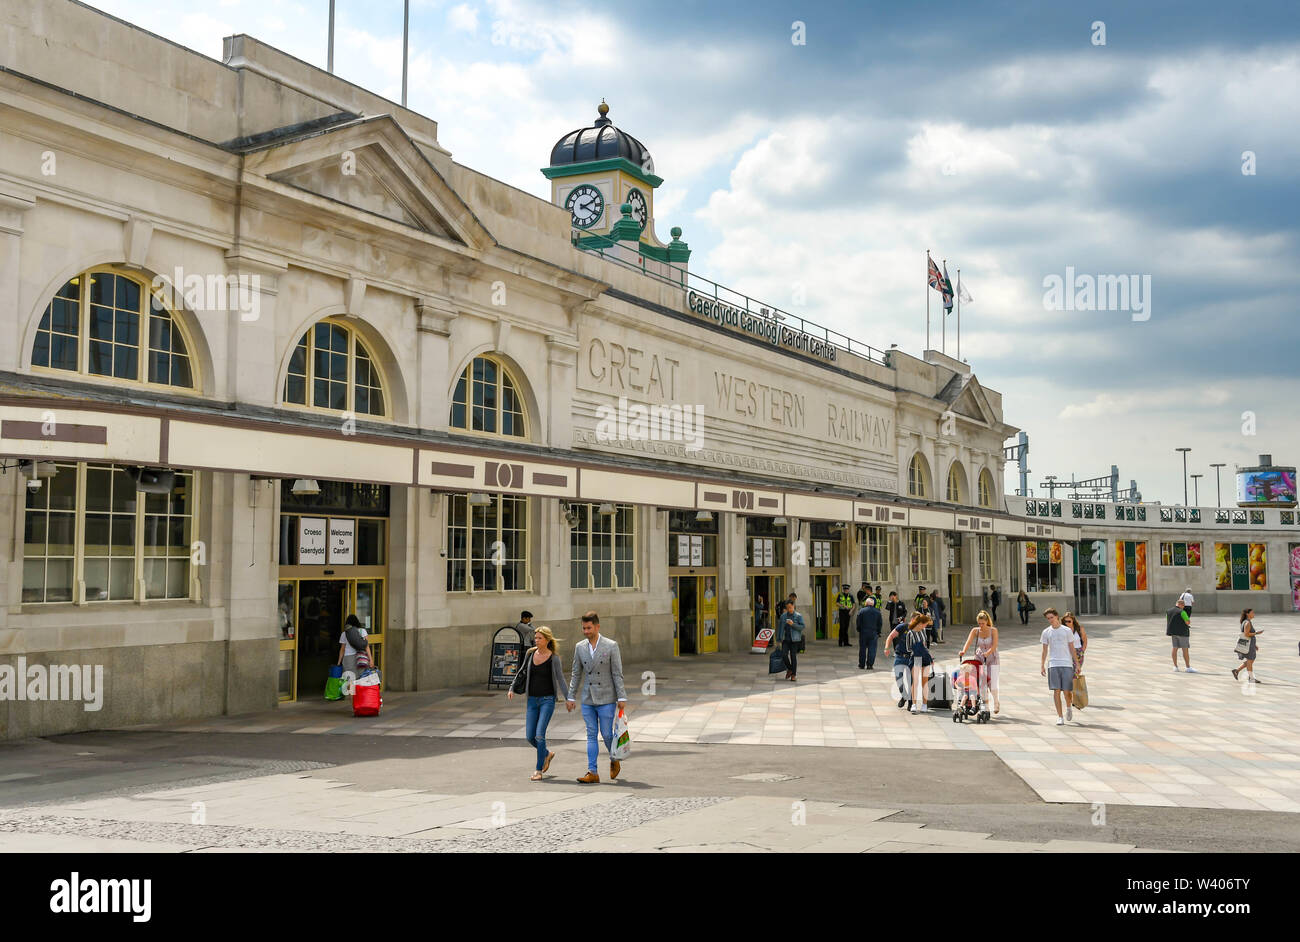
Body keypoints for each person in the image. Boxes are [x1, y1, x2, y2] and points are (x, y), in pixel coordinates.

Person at [565, 612, 627, 784]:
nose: (585, 631)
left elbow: (617, 673)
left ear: (597, 626)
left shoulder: (611, 646)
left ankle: (614, 758)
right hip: (588, 698)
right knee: (591, 734)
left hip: (607, 697)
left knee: (606, 734)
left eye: (589, 628)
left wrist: (622, 697)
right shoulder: (580, 647)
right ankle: (592, 772)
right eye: (583, 628)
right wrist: (571, 696)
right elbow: (576, 673)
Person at [508, 625, 566, 781]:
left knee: (539, 735)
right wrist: (512, 687)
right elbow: (521, 672)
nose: (536, 640)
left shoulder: (554, 658)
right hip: (532, 700)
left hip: (547, 700)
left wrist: (569, 698)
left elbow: (560, 679)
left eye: (540, 638)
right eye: (536, 637)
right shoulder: (530, 653)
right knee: (529, 736)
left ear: (547, 640)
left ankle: (538, 770)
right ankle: (547, 754)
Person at [1040, 608, 1080, 725]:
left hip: (1067, 664)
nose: (1050, 620)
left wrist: (1077, 664)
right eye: (1048, 618)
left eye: (1052, 617)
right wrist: (1042, 665)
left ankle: (1068, 707)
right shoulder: (1046, 632)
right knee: (1056, 690)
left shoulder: (1066, 631)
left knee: (1067, 691)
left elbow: (1072, 648)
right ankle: (1060, 716)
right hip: (1053, 664)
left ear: (1057, 616)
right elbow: (1044, 651)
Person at [960, 610, 1000, 714]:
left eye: (982, 623)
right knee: (981, 682)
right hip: (979, 657)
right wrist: (963, 651)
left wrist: (988, 652)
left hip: (992, 657)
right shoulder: (975, 630)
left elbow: (995, 645)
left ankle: (996, 702)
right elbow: (968, 642)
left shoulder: (993, 630)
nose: (981, 625)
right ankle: (985, 705)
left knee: (992, 682)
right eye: (979, 623)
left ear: (987, 621)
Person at [883, 613, 914, 710]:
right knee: (899, 679)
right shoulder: (902, 627)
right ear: (912, 619)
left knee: (911, 681)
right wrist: (887, 648)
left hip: (911, 658)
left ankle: (910, 702)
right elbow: (890, 636)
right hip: (900, 656)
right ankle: (904, 695)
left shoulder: (919, 630)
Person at [905, 614, 934, 714]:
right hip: (916, 658)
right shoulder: (910, 633)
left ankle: (924, 704)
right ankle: (914, 704)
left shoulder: (923, 631)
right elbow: (908, 649)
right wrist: (918, 648)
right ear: (920, 623)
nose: (925, 626)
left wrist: (929, 656)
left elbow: (925, 645)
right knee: (915, 682)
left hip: (925, 658)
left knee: (925, 682)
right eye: (925, 624)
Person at [775, 599, 806, 681]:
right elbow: (780, 629)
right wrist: (778, 640)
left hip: (795, 639)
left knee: (793, 656)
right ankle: (790, 669)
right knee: (784, 654)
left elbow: (802, 627)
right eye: (787, 608)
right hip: (786, 639)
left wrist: (793, 624)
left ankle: (793, 675)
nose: (789, 609)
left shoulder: (798, 616)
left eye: (790, 607)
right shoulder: (783, 616)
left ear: (793, 606)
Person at [1231, 608, 1262, 683]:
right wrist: (1257, 633)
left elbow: (1247, 636)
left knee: (1250, 661)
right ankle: (1251, 678)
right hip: (1248, 645)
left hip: (1249, 644)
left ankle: (1237, 671)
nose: (1253, 614)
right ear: (1247, 614)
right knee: (1250, 661)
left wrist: (1255, 645)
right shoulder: (1247, 622)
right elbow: (1246, 634)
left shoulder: (1246, 622)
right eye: (1252, 612)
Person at [1167, 598, 1195, 672]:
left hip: (1173, 633)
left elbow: (1168, 620)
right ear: (1181, 605)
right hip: (1183, 633)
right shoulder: (1182, 612)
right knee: (1185, 649)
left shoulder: (1168, 611)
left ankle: (1175, 667)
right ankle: (1188, 667)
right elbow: (1188, 622)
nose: (1184, 607)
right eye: (1184, 606)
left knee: (1174, 648)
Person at [337, 613, 368, 681]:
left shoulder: (344, 633)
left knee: (348, 680)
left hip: (348, 658)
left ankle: (350, 691)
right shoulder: (362, 631)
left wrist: (339, 662)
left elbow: (342, 649)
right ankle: (358, 691)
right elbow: (366, 646)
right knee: (360, 679)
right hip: (361, 657)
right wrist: (371, 659)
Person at [856, 596, 882, 670]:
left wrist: (859, 629)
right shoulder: (877, 612)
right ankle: (870, 665)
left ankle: (861, 664)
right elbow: (880, 623)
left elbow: (858, 622)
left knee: (862, 649)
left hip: (863, 632)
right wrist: (878, 632)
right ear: (873, 604)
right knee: (872, 649)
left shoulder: (861, 611)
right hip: (873, 633)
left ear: (866, 603)